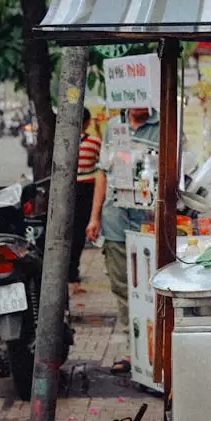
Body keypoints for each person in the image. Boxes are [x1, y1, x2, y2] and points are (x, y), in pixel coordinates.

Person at [86, 107, 158, 375]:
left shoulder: (164, 125)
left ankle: (155, 349)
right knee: (122, 287)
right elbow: (102, 174)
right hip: (115, 220)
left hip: (149, 222)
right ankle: (134, 349)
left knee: (152, 289)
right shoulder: (113, 127)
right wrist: (94, 218)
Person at [69, 109, 106, 295]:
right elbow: (102, 167)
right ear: (87, 122)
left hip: (68, 192)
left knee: (68, 234)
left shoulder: (63, 143)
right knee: (78, 235)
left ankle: (69, 275)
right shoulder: (95, 142)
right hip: (86, 192)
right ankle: (72, 276)